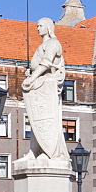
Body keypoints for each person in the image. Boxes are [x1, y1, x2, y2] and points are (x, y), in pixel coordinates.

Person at [22, 17, 68, 161]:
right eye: (37, 26)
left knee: (48, 119)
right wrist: (31, 74)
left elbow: (46, 62)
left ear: (48, 27)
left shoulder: (53, 43)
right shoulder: (42, 45)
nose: (37, 28)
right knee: (36, 119)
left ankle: (50, 152)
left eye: (40, 25)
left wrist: (32, 78)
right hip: (39, 84)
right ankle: (34, 151)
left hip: (47, 84)